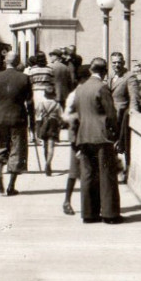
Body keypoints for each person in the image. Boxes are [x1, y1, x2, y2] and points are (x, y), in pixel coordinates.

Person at [72, 57, 120, 223]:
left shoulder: (80, 89)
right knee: (106, 175)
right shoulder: (102, 88)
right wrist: (116, 133)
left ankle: (89, 213)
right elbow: (111, 114)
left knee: (88, 175)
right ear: (105, 71)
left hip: (84, 136)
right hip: (101, 136)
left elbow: (78, 114)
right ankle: (109, 214)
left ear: (91, 70)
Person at [0, 51, 34, 196]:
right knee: (17, 151)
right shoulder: (25, 78)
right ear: (18, 61)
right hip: (18, 118)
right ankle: (11, 186)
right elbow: (30, 102)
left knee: (0, 147)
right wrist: (32, 121)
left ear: (5, 61)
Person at [61, 66, 92, 214]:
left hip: (86, 134)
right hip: (77, 135)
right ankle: (67, 201)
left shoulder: (84, 92)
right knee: (75, 170)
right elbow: (66, 116)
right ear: (83, 79)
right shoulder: (75, 95)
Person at [107, 51, 140, 182]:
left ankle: (125, 171)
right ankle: (115, 171)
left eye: (119, 62)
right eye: (114, 62)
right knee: (111, 144)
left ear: (124, 63)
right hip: (110, 115)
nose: (117, 65)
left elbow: (134, 95)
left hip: (121, 115)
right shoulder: (110, 76)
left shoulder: (129, 76)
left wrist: (133, 109)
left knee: (123, 144)